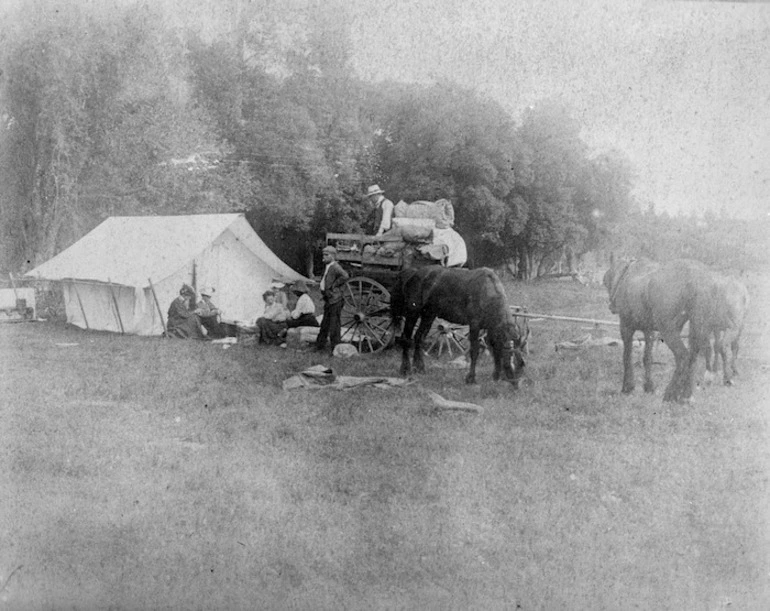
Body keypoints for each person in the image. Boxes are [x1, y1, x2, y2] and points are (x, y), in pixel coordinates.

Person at [314, 245, 349, 353]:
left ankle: (335, 348)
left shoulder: (335, 267)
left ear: (333, 256)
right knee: (325, 323)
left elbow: (345, 276)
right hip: (329, 299)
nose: (323, 257)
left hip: (335, 299)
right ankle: (319, 346)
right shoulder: (328, 266)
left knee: (334, 325)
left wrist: (334, 285)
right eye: (323, 255)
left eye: (326, 255)